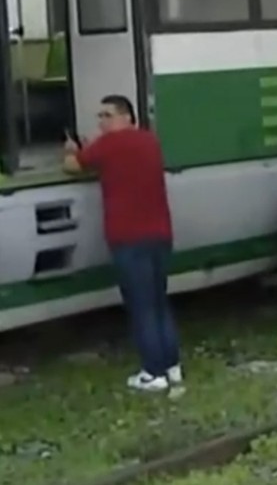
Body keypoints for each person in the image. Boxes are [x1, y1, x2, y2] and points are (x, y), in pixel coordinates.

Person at [63, 95, 181, 392]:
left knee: (141, 307)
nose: (101, 121)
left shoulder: (108, 145)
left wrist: (71, 150)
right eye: (99, 116)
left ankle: (152, 373)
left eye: (107, 115)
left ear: (126, 116)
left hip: (128, 238)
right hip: (160, 234)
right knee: (158, 302)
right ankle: (171, 365)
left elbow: (73, 166)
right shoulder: (149, 141)